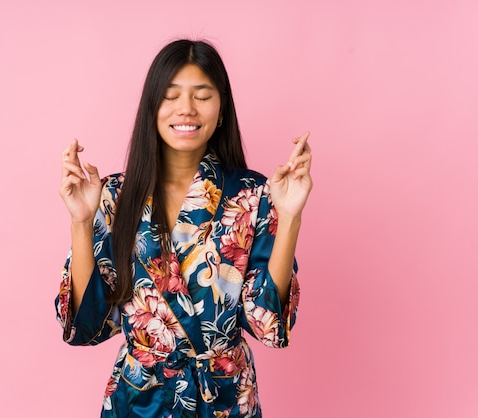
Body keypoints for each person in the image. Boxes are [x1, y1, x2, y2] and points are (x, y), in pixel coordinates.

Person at [55, 39, 312, 417]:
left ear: (221, 109)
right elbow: (87, 325)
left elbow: (267, 324)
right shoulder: (112, 196)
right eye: (170, 96)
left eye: (202, 95)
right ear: (152, 108)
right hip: (141, 401)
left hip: (224, 401)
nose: (186, 109)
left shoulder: (253, 195)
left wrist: (290, 215)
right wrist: (80, 219)